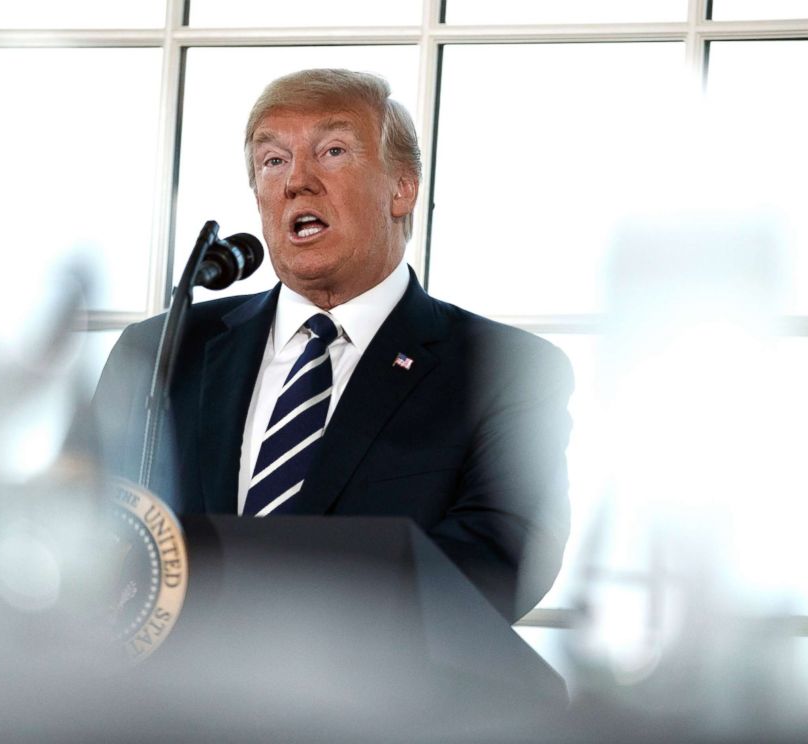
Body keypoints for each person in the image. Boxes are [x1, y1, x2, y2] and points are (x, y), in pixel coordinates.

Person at [82, 69, 573, 621]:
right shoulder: (161, 351)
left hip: (376, 699)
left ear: (401, 188)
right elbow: (80, 532)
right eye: (273, 161)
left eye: (332, 151)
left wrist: (299, 628)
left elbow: (502, 559)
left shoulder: (501, 369)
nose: (297, 181)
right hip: (164, 700)